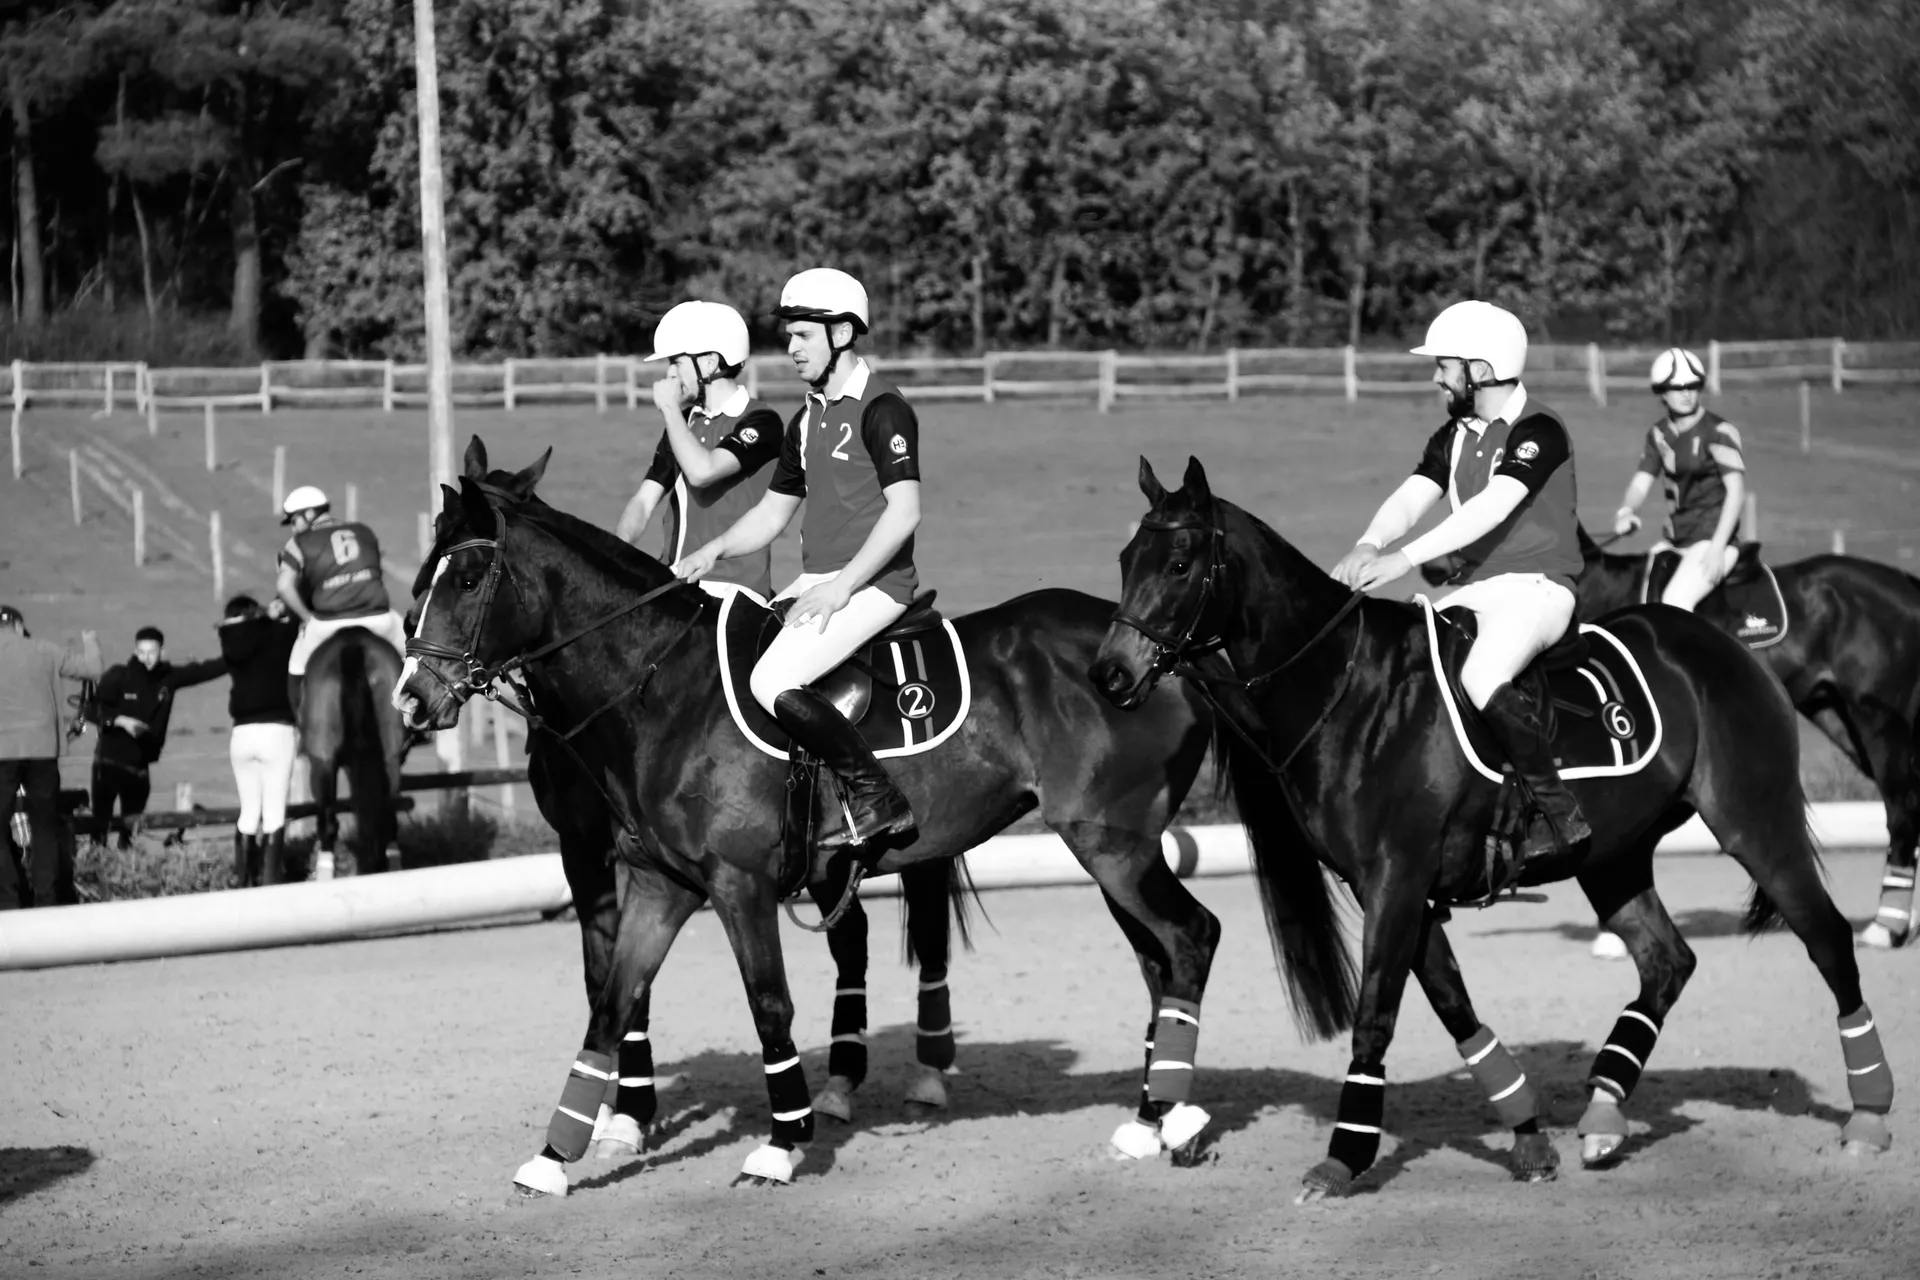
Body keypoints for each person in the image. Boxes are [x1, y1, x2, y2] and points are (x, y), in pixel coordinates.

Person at [1330, 299, 1591, 883]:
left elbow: (1491, 508)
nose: (1436, 378)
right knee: (1399, 663)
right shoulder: (1455, 434)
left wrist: (1403, 559)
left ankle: (1557, 813)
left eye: (1444, 366)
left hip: (1538, 588)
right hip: (1472, 588)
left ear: (1480, 370)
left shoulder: (1539, 431)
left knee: (1480, 676)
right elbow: (1411, 496)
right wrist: (1370, 543)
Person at [673, 267, 923, 856]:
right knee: (735, 654)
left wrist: (841, 589)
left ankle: (878, 796)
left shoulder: (884, 409)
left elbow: (905, 512)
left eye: (803, 335)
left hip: (876, 584)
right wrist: (712, 550)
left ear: (842, 334)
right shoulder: (807, 418)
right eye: (789, 336)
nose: (791, 348)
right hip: (818, 579)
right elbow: (771, 513)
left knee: (771, 680)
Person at [614, 300, 786, 600]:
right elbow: (643, 501)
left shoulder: (762, 421)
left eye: (676, 362)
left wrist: (670, 409)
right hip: (674, 579)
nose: (670, 374)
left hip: (734, 588)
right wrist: (616, 550)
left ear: (709, 363)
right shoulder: (683, 424)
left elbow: (703, 472)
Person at [1610, 347, 1748, 611]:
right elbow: (1640, 483)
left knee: (1675, 602)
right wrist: (1626, 511)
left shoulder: (1719, 431)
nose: (1687, 394)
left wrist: (1717, 548)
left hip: (1712, 540)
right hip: (1675, 541)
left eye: (1692, 386)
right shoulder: (1658, 435)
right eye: (1678, 388)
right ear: (1662, 393)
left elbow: (1736, 493)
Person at [276, 484, 409, 719]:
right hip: (379, 619)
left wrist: (307, 617)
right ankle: (416, 719)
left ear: (309, 514)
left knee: (296, 667)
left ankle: (302, 726)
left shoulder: (298, 543)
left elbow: (284, 586)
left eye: (294, 521)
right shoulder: (364, 532)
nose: (294, 529)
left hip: (328, 623)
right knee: (415, 657)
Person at [0, 605, 102, 908]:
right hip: (43, 751)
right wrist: (91, 641)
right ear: (19, 626)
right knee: (44, 826)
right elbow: (93, 669)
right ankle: (47, 899)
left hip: (3, 751)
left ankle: (9, 898)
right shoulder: (44, 649)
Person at [91, 626, 226, 848]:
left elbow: (205, 671)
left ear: (162, 652)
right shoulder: (118, 675)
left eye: (152, 652)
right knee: (99, 829)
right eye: (141, 652)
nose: (146, 658)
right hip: (108, 763)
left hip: (139, 767)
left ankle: (125, 866)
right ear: (135, 651)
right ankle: (95, 863)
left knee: (130, 832)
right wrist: (121, 721)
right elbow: (91, 710)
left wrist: (241, 656)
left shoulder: (169, 678)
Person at [218, 594, 300, 887]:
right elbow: (297, 624)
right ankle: (269, 883)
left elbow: (250, 630)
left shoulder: (230, 639)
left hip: (241, 734)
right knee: (274, 813)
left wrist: (264, 616)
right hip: (277, 731)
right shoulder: (278, 633)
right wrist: (276, 613)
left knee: (248, 813)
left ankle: (243, 883)